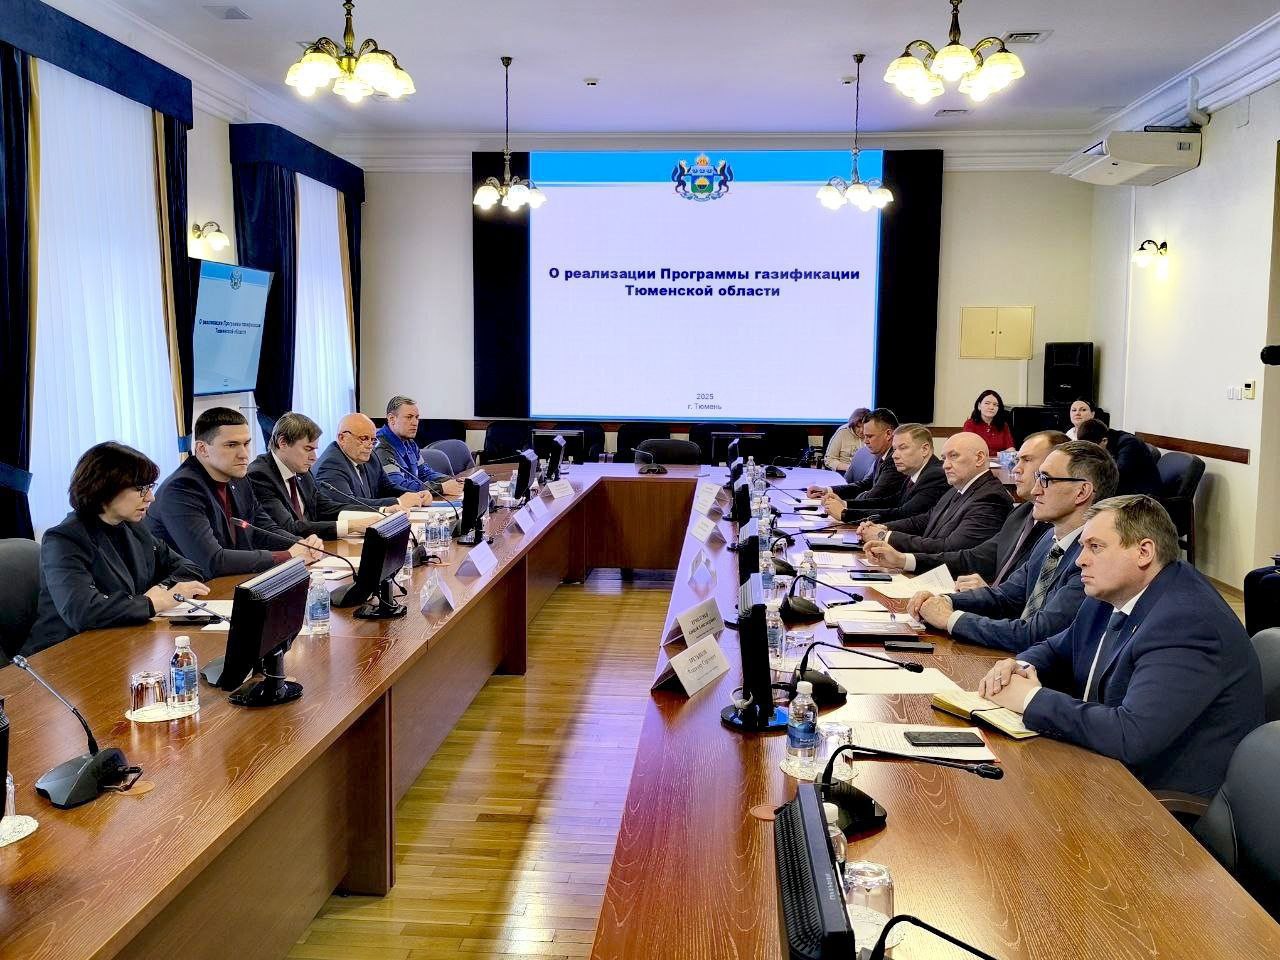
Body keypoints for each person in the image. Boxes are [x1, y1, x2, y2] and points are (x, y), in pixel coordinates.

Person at [977, 495, 1263, 798]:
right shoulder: (1111, 591)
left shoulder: (1187, 621)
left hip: (1154, 801)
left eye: (1095, 547)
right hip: (1103, 767)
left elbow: (1132, 735)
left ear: (1144, 552)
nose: (1080, 560)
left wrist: (1030, 698)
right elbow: (1058, 648)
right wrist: (1020, 667)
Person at [905, 441, 1118, 653]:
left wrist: (951, 619)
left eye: (1046, 480)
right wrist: (946, 600)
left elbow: (1037, 634)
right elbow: (1005, 597)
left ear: (1081, 492)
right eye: (1038, 478)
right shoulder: (1049, 539)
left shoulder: (1091, 558)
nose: (1035, 490)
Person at [26, 443, 209, 657]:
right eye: (141, 488)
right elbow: (81, 611)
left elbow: (189, 568)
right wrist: (152, 603)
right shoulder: (64, 539)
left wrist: (161, 589)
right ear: (105, 488)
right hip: (63, 654)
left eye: (150, 487)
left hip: (120, 644)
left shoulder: (133, 527)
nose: (151, 497)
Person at [863, 430, 1068, 583]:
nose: (1016, 469)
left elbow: (955, 549)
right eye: (944, 458)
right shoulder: (1022, 512)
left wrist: (887, 537)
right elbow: (975, 556)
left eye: (1027, 460)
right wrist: (899, 555)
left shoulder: (992, 498)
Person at [148, 408, 325, 579]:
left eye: (246, 444)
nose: (244, 454)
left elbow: (264, 528)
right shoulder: (181, 489)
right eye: (231, 445)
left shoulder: (238, 478)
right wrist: (288, 555)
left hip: (230, 581)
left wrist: (302, 544)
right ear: (202, 449)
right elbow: (212, 561)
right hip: (185, 591)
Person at [854, 432, 1011, 554]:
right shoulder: (958, 488)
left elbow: (950, 548)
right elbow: (926, 519)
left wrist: (884, 536)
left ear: (979, 458)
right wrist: (883, 527)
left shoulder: (991, 498)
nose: (945, 465)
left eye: (954, 456)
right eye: (944, 458)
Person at [248, 412, 384, 541]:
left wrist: (380, 512)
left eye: (315, 449)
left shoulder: (302, 472)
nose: (314, 457)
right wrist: (350, 526)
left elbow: (325, 508)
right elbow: (288, 527)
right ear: (283, 442)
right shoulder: (260, 475)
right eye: (308, 449)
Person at [821, 423, 946, 524]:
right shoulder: (916, 472)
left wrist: (845, 514)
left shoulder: (935, 475)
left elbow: (903, 514)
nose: (895, 455)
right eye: (895, 449)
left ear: (924, 449)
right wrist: (845, 504)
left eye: (903, 448)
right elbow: (891, 501)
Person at [315, 412, 432, 510]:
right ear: (342, 438)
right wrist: (398, 502)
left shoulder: (371, 457)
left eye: (373, 440)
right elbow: (348, 504)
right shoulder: (331, 464)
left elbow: (387, 487)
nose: (370, 445)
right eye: (364, 438)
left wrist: (415, 496)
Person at [806, 408, 902, 505]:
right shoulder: (883, 455)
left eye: (870, 436)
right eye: (865, 436)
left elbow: (874, 498)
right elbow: (865, 485)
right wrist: (827, 491)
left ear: (888, 434)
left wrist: (843, 504)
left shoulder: (895, 460)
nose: (865, 441)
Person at [374, 396, 464, 498]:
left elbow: (425, 474)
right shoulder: (381, 447)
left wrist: (453, 481)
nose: (415, 423)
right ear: (392, 419)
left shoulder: (410, 443)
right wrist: (440, 488)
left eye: (416, 417)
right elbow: (398, 486)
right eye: (409, 417)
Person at [1076, 418, 1161, 496]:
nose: (1092, 453)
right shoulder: (1107, 439)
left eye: (1093, 449)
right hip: (1125, 489)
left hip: (1144, 495)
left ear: (1104, 441)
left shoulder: (1129, 443)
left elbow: (1116, 474)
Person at [962, 389, 1015, 456]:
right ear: (979, 406)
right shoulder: (970, 424)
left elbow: (1010, 448)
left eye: (995, 404)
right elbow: (971, 449)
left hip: (1000, 461)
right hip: (978, 461)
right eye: (987, 403)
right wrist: (1000, 454)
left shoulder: (1004, 425)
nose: (991, 407)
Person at [824, 407, 871, 474]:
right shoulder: (842, 432)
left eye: (864, 427)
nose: (861, 431)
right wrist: (850, 468)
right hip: (844, 471)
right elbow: (829, 460)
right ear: (853, 424)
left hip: (867, 472)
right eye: (858, 426)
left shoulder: (873, 433)